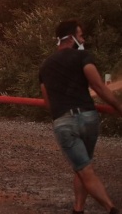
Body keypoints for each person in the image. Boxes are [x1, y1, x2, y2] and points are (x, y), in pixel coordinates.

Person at [39, 19, 122, 214]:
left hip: (64, 123)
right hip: (88, 118)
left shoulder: (45, 67)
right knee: (84, 167)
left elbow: (47, 102)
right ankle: (79, 209)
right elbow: (98, 86)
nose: (83, 39)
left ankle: (112, 209)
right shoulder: (83, 57)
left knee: (84, 168)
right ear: (71, 38)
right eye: (81, 35)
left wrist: (60, 112)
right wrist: (118, 107)